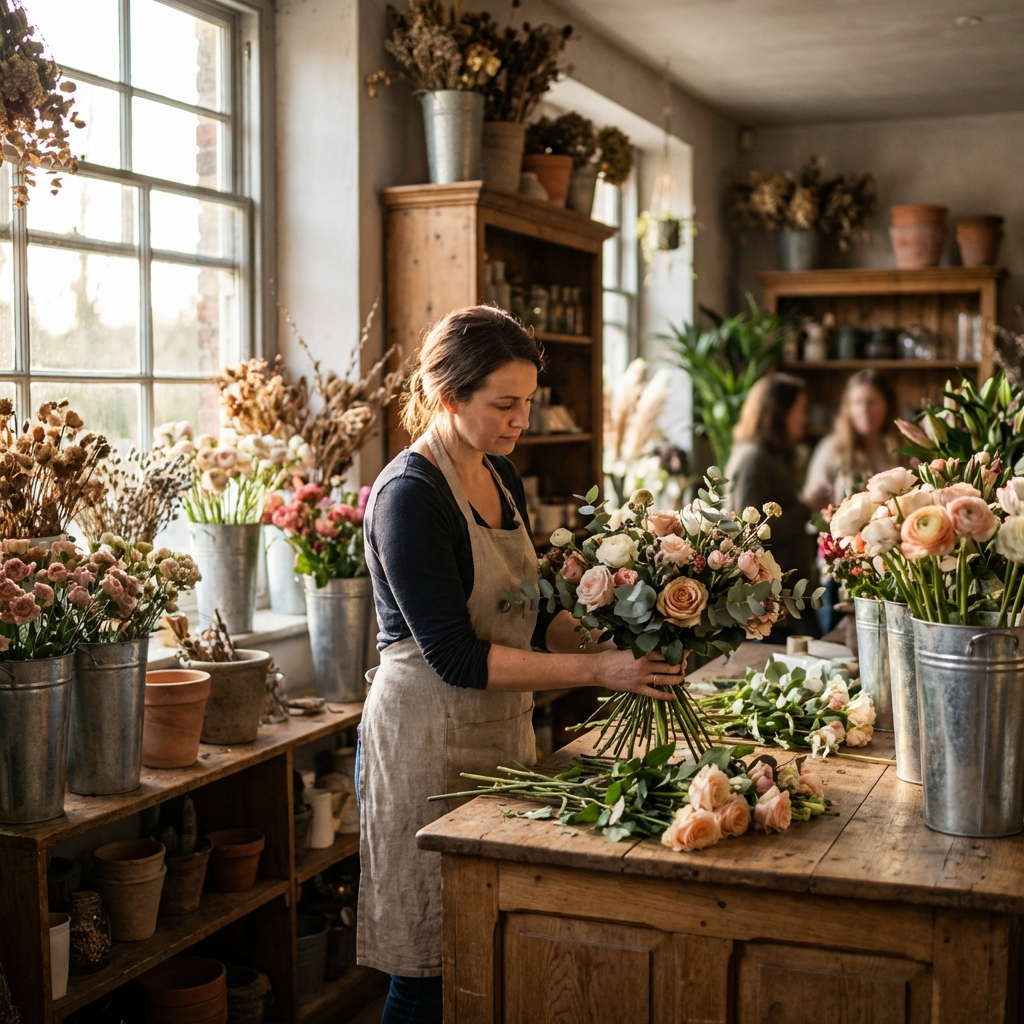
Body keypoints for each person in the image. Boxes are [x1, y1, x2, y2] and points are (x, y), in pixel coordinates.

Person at [356, 305, 680, 1024]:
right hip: (425, 740)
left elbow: (529, 613)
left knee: (490, 942)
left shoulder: (498, 476)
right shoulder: (409, 496)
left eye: (527, 401)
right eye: (505, 404)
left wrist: (620, 651)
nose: (521, 420)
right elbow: (456, 655)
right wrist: (601, 676)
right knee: (429, 963)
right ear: (448, 398)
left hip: (499, 733)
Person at [724, 372, 819, 636]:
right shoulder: (754, 459)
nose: (805, 418)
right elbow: (750, 534)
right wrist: (806, 507)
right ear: (779, 413)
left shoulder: (771, 456)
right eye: (800, 409)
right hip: (773, 604)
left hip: (785, 597)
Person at [802, 368, 900, 510]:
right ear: (848, 409)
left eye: (871, 402)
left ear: (888, 405)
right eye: (857, 403)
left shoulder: (902, 447)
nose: (864, 410)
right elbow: (812, 503)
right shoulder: (831, 448)